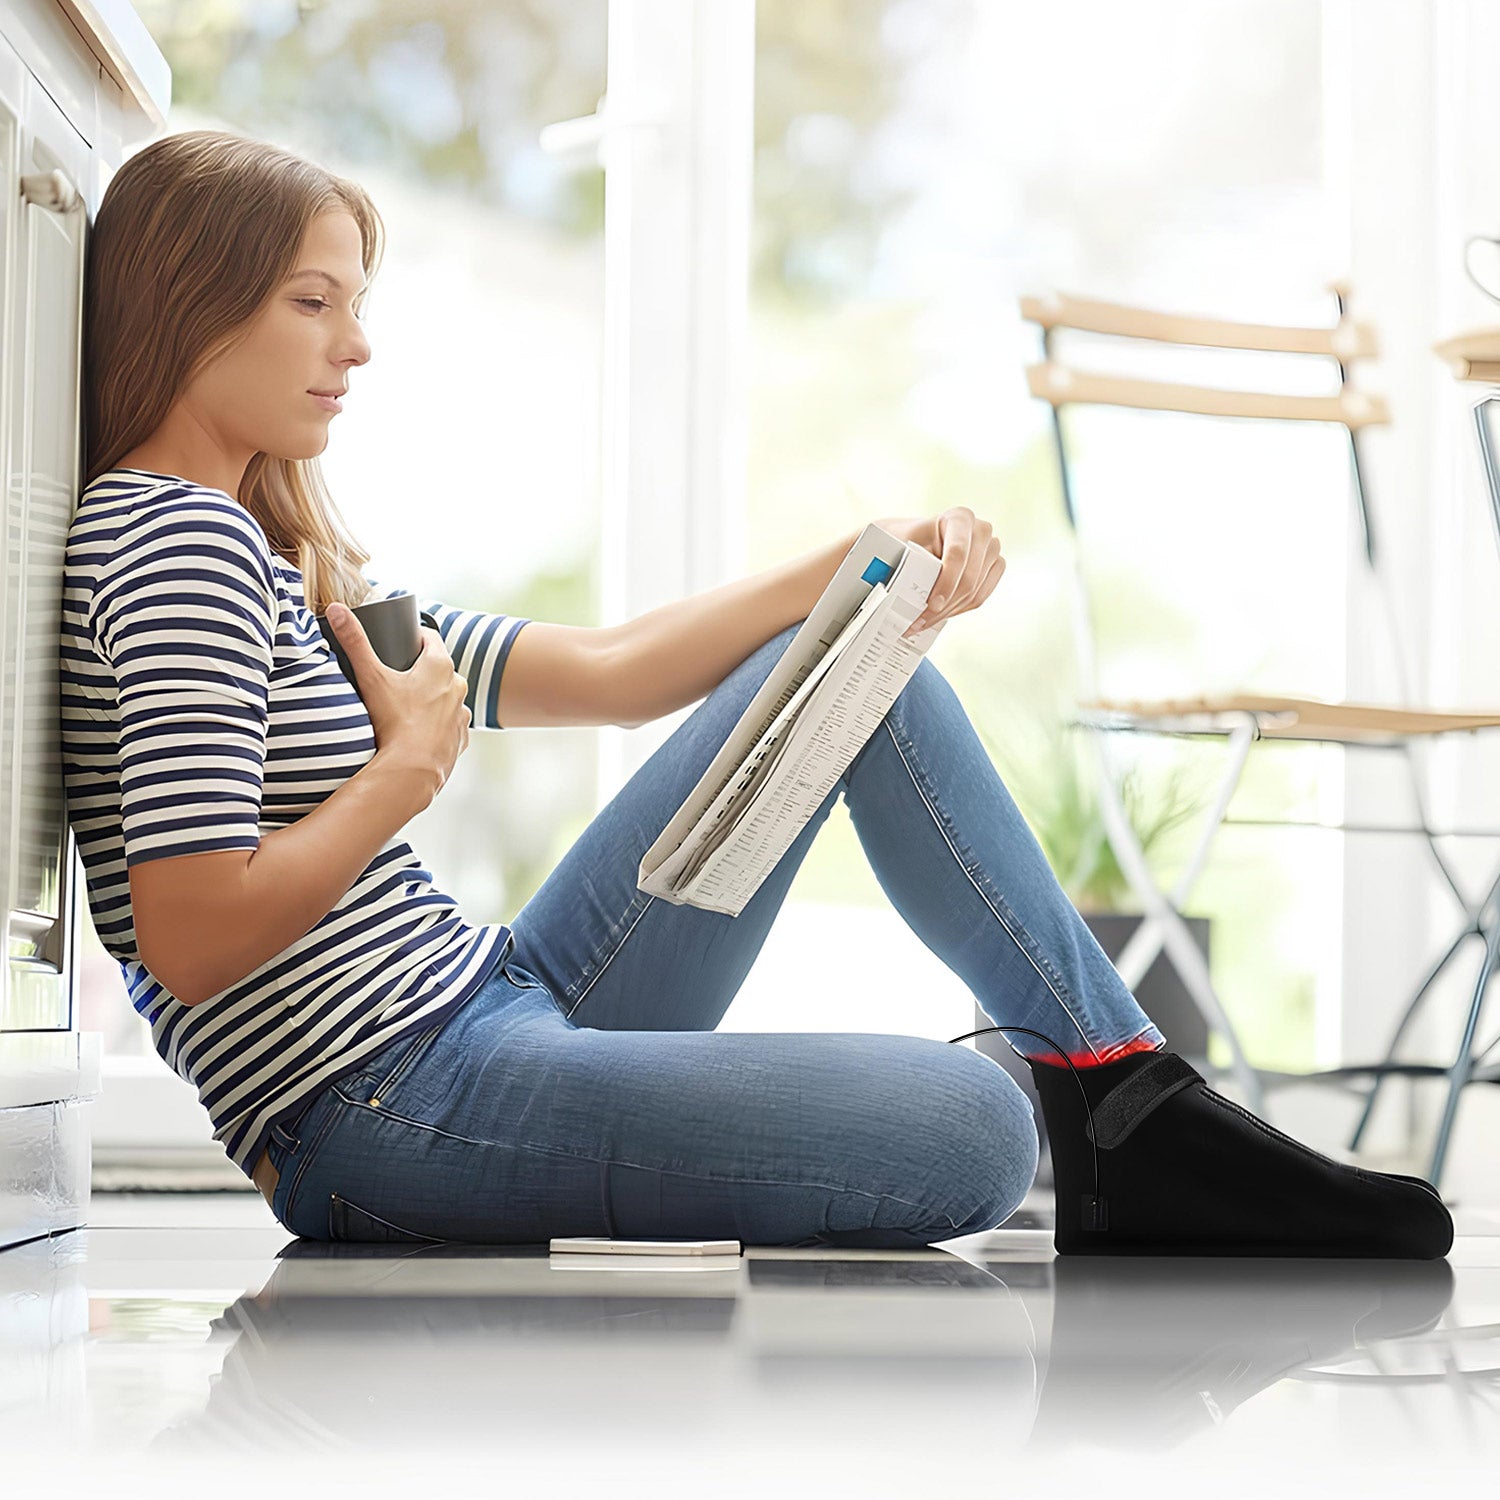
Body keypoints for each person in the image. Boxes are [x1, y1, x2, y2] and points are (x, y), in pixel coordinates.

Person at [63, 128, 1452, 1258]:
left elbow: (607, 675)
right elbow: (190, 937)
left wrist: (864, 570)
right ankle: (1119, 1124)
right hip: (380, 1105)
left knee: (867, 681)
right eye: (315, 303)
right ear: (188, 305)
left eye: (357, 305)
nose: (355, 346)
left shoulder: (275, 556)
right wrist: (398, 783)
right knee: (973, 1131)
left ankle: (1126, 1090)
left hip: (491, 1004)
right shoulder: (172, 545)